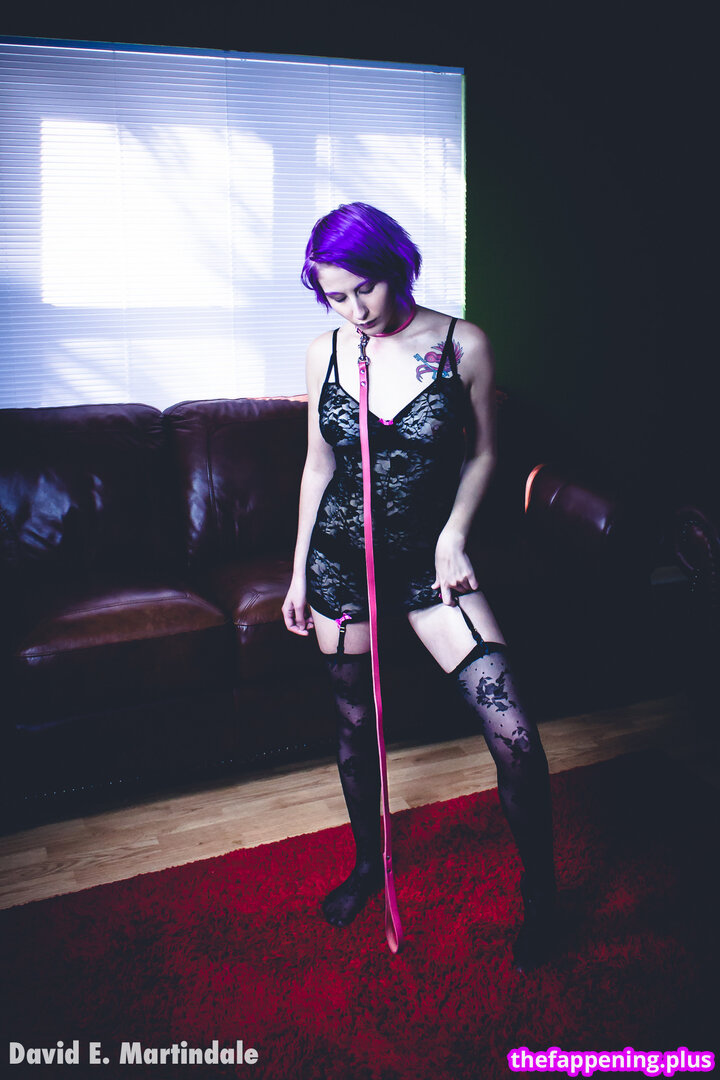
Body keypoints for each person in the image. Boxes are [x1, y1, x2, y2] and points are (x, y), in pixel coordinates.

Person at [282, 202, 556, 971]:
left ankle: (543, 895)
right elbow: (318, 466)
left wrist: (454, 534)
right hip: (342, 561)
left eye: (364, 288)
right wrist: (298, 572)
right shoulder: (327, 351)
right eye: (335, 295)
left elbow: (485, 453)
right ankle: (369, 866)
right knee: (354, 725)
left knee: (515, 734)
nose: (354, 309)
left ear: (396, 266)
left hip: (430, 567)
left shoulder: (464, 344)